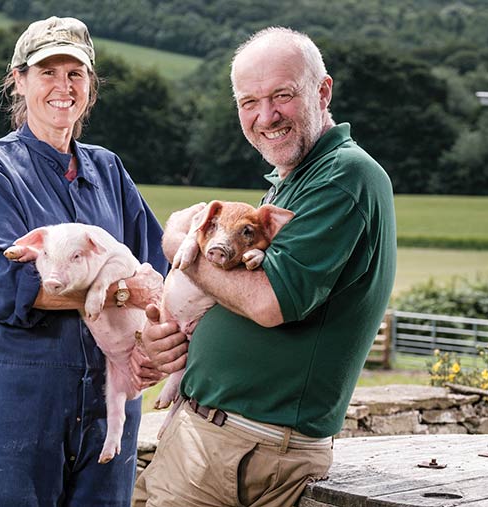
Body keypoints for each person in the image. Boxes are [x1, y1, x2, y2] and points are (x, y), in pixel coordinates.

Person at [134, 27, 397, 507]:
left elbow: (268, 302)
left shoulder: (343, 176)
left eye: (282, 96)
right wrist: (174, 336)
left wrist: (180, 247)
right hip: (218, 441)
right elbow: (233, 291)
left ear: (323, 91)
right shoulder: (292, 183)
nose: (266, 116)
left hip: (245, 452)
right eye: (248, 101)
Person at [0, 16, 169, 507]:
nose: (63, 87)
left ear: (90, 85)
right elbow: (6, 283)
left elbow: (159, 268)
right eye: (48, 72)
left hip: (106, 409)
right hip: (11, 408)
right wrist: (123, 294)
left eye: (76, 74)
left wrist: (151, 344)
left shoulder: (107, 170)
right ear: (19, 80)